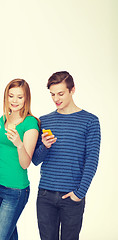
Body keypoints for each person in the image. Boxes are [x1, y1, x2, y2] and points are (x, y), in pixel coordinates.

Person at [32, 71, 101, 240]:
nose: (56, 99)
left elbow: (91, 160)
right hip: (45, 195)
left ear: (72, 90)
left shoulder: (90, 121)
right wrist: (45, 147)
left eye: (61, 93)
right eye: (52, 94)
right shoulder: (44, 120)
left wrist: (79, 193)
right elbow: (35, 160)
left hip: (72, 196)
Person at [0, 79, 39, 240]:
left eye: (20, 97)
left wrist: (19, 144)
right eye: (11, 96)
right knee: (9, 235)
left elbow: (25, 163)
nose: (14, 100)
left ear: (26, 98)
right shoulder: (3, 118)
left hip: (16, 190)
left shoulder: (30, 123)